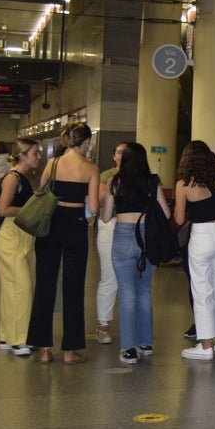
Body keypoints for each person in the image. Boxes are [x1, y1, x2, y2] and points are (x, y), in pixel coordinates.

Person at [28, 122, 99, 365]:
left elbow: (41, 191)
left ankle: (45, 349)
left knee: (45, 284)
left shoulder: (52, 163)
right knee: (74, 286)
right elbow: (94, 208)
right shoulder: (90, 168)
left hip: (51, 226)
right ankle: (70, 350)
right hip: (75, 226)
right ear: (86, 142)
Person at [101, 142, 171, 365]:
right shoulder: (152, 182)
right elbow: (167, 213)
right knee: (143, 292)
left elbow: (105, 217)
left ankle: (128, 348)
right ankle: (146, 343)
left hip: (122, 236)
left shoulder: (115, 181)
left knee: (127, 293)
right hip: (146, 238)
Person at [174, 140, 215, 361]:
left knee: (202, 291)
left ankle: (205, 346)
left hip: (201, 236)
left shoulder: (183, 184)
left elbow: (178, 217)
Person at [0, 138, 41, 356]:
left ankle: (7, 336)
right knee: (21, 289)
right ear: (22, 155)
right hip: (9, 238)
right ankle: (19, 340)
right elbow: (3, 209)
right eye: (35, 153)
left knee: (11, 289)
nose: (39, 157)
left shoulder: (24, 177)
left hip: (19, 238)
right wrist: (31, 209)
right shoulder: (12, 178)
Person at [94, 141, 129, 346]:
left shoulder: (139, 175)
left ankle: (130, 325)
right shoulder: (107, 175)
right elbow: (99, 200)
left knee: (132, 278)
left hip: (132, 226)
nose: (122, 155)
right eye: (119, 152)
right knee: (109, 277)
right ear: (114, 156)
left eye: (126, 153)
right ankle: (103, 324)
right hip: (110, 226)